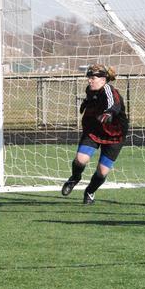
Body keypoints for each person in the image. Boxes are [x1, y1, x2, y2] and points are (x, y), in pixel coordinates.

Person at [61, 64, 129, 204]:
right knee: (80, 159)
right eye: (89, 77)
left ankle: (90, 191)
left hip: (114, 135)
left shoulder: (109, 90)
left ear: (103, 80)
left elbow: (114, 104)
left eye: (93, 78)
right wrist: (86, 102)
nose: (89, 80)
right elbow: (91, 98)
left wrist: (109, 113)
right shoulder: (90, 89)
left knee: (102, 172)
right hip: (94, 130)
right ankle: (74, 178)